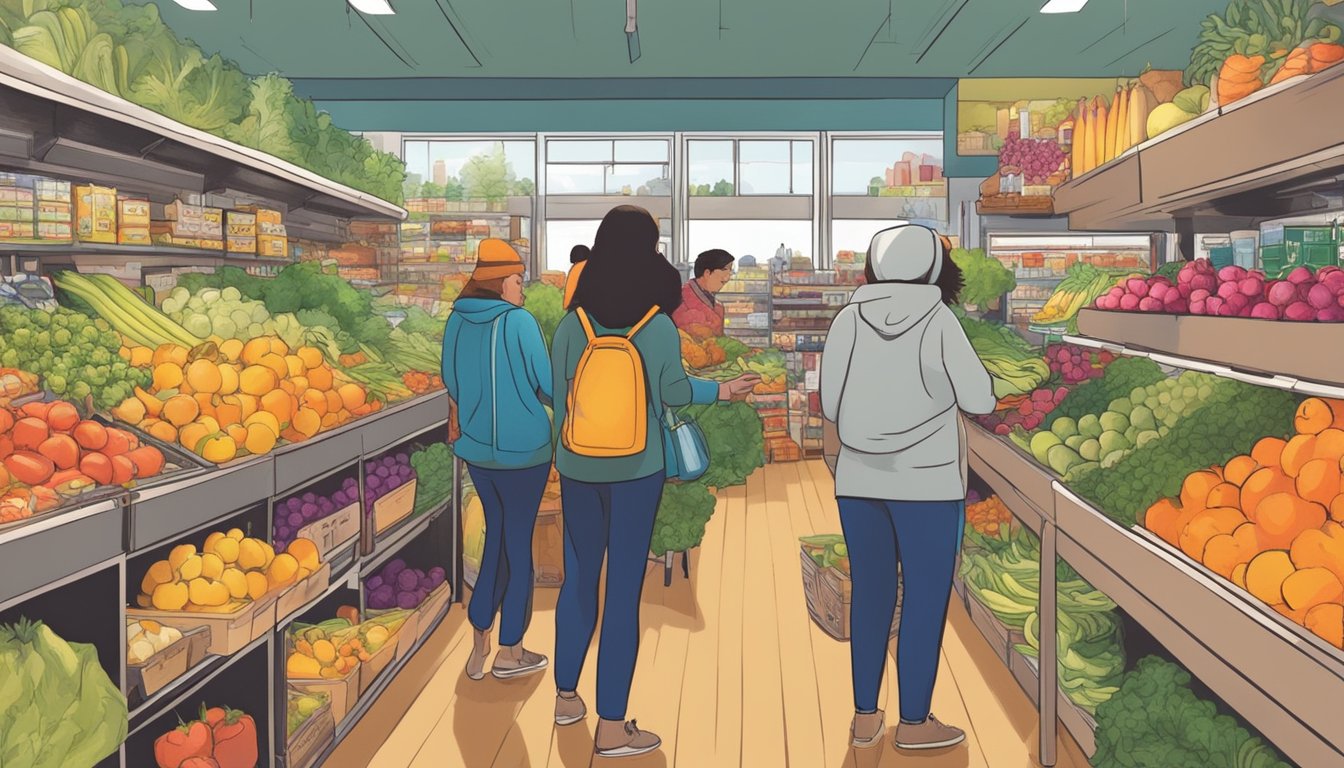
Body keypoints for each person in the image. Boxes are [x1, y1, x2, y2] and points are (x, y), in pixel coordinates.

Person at [549, 205, 758, 758]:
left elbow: (559, 394)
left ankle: (566, 696)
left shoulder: (574, 323)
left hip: (577, 467)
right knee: (622, 591)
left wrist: (562, 455)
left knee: (577, 579)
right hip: (638, 470)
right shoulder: (656, 326)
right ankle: (613, 727)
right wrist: (725, 391)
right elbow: (675, 392)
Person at [819, 224, 995, 752]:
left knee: (871, 594)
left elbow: (829, 404)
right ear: (933, 270)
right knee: (922, 600)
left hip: (859, 480)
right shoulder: (940, 320)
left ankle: (865, 718)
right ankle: (915, 724)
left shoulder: (848, 319)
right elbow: (980, 399)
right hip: (929, 482)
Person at [441, 239, 554, 683]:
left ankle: (479, 641)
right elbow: (545, 384)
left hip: (478, 454)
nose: (522, 290)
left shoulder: (455, 322)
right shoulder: (520, 322)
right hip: (525, 452)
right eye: (517, 281)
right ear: (498, 283)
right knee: (517, 545)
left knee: (496, 540)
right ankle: (512, 650)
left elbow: (450, 379)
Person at [671, 248, 733, 338]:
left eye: (730, 271)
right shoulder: (680, 300)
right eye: (724, 269)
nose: (727, 278)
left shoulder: (718, 306)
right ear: (707, 273)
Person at [563, 244, 588, 310]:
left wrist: (566, 305)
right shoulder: (592, 266)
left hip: (577, 306)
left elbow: (570, 290)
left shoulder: (576, 268)